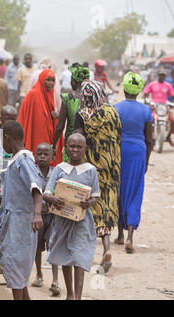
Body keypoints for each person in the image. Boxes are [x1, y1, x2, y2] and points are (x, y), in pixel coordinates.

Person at [0, 120, 44, 300]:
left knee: (15, 265)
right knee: (16, 268)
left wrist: (37, 214)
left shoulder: (23, 159)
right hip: (12, 222)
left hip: (21, 223)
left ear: (7, 138)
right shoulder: (16, 159)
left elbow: (36, 188)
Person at [43, 133, 100, 300]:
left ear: (84, 149)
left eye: (79, 147)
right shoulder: (60, 168)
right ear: (66, 147)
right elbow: (46, 193)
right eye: (71, 146)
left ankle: (78, 297)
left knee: (79, 257)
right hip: (62, 221)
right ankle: (70, 293)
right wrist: (53, 198)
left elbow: (96, 195)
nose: (75, 150)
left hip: (82, 221)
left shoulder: (90, 170)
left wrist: (89, 203)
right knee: (65, 256)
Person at [74, 80, 121, 273]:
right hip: (111, 167)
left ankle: (85, 253)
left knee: (91, 206)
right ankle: (107, 249)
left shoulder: (83, 115)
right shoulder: (112, 112)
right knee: (107, 207)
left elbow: (77, 140)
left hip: (91, 167)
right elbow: (118, 137)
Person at [115, 72, 153, 253]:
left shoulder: (116, 108)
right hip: (138, 152)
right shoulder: (146, 111)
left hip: (120, 152)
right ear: (138, 92)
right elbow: (150, 139)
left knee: (119, 190)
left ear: (124, 89)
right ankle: (130, 235)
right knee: (136, 191)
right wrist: (146, 161)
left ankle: (120, 235)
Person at [31, 143, 60, 297]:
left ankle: (55, 280)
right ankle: (39, 273)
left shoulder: (56, 173)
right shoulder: (32, 172)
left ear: (52, 157)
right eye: (39, 154)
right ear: (35, 156)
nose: (42, 157)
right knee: (36, 247)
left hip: (52, 216)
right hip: (37, 215)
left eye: (46, 154)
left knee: (52, 245)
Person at [17, 69, 63, 165]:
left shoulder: (50, 95)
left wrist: (56, 116)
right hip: (34, 137)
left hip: (47, 138)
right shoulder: (32, 95)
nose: (50, 83)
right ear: (42, 80)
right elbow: (22, 118)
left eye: (53, 80)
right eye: (48, 80)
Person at [53, 63, 91, 161]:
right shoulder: (91, 98)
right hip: (88, 145)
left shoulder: (68, 98)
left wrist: (53, 144)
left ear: (73, 82)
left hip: (71, 144)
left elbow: (60, 127)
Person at [143, 68, 174, 146]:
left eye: (164, 75)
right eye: (161, 75)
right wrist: (147, 101)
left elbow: (172, 96)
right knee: (147, 118)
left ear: (165, 76)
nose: (162, 77)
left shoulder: (168, 85)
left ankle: (168, 136)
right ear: (158, 75)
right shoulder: (152, 84)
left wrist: (171, 105)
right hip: (154, 106)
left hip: (164, 106)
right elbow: (145, 93)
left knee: (172, 119)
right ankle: (147, 136)